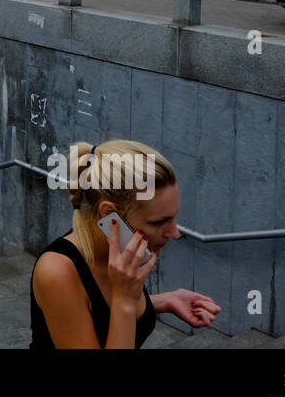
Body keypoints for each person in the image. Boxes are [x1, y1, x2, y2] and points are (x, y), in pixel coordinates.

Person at [29, 139, 221, 349]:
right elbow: (111, 306)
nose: (175, 233)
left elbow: (98, 310)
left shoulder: (119, 254)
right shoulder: (57, 272)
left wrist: (163, 300)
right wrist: (125, 301)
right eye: (159, 221)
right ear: (111, 216)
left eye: (173, 218)